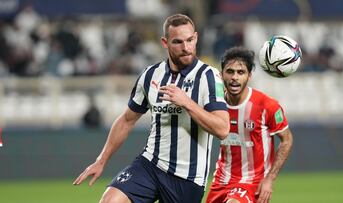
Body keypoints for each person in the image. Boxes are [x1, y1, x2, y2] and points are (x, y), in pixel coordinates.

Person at [73, 14, 229, 203]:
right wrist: (102, 160)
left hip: (187, 178)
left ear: (196, 37)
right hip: (150, 165)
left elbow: (222, 129)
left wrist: (187, 103)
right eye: (178, 42)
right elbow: (126, 120)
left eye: (190, 40)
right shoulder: (150, 75)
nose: (186, 48)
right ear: (165, 42)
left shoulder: (209, 77)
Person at [206, 47, 293, 203]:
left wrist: (269, 179)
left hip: (252, 182)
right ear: (221, 75)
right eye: (230, 71)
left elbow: (286, 139)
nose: (235, 77)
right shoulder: (215, 104)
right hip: (221, 179)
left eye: (241, 72)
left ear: (249, 76)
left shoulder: (267, 105)